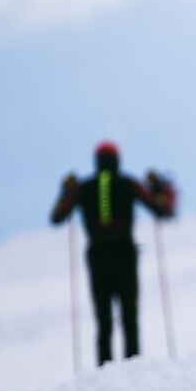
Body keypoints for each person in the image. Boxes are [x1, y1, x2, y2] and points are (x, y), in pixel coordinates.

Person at [49, 142, 175, 365]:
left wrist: (66, 192)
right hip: (125, 254)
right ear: (118, 160)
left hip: (97, 257)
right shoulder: (129, 184)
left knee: (103, 320)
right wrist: (159, 188)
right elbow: (161, 209)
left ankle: (104, 373)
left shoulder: (84, 187)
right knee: (129, 317)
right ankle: (133, 368)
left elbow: (58, 216)